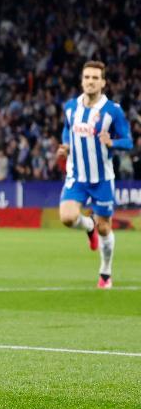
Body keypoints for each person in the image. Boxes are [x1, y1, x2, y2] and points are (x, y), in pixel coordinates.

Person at [57, 60, 133, 288]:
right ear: (82, 80)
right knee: (67, 218)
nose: (90, 81)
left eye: (95, 78)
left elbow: (128, 141)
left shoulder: (113, 111)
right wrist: (66, 145)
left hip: (102, 179)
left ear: (103, 82)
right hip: (77, 175)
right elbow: (66, 129)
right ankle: (88, 226)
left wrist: (113, 142)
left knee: (105, 227)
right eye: (87, 77)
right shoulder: (71, 107)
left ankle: (105, 273)